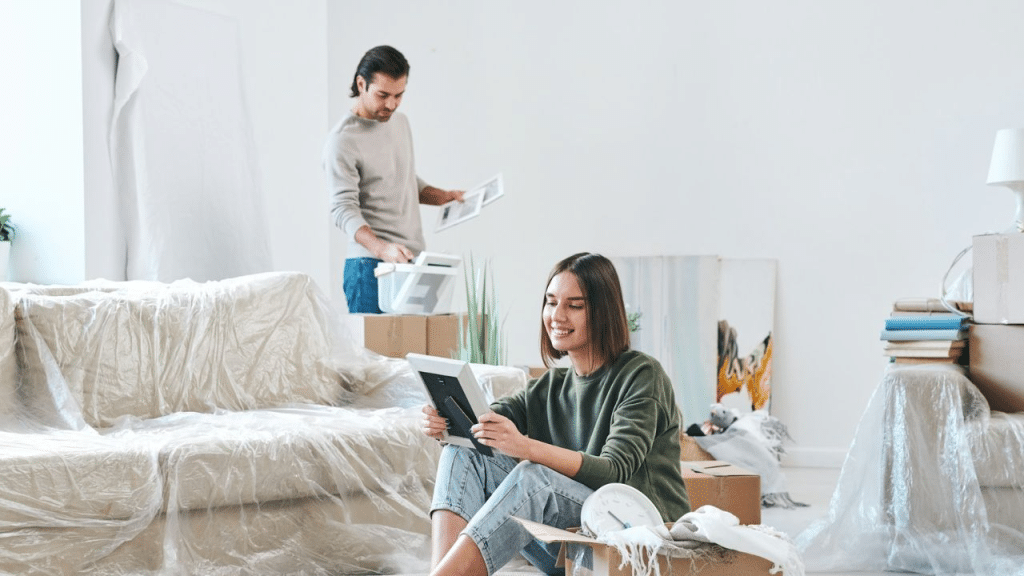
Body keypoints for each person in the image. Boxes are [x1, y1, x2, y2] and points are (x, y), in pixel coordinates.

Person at [421, 252, 691, 576]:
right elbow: (488, 418)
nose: (557, 315)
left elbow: (614, 471)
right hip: (578, 546)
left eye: (574, 305)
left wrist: (523, 447)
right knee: (463, 451)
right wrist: (451, 421)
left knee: (535, 478)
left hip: (641, 544)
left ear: (603, 313)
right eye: (551, 302)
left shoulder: (642, 375)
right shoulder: (551, 386)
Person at [323, 45, 464, 313]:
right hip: (370, 268)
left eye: (399, 95)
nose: (391, 104)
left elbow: (403, 178)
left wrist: (442, 196)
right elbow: (342, 209)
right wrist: (381, 248)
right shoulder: (342, 141)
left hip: (414, 262)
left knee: (416, 353)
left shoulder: (400, 123)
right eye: (383, 95)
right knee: (374, 355)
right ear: (361, 84)